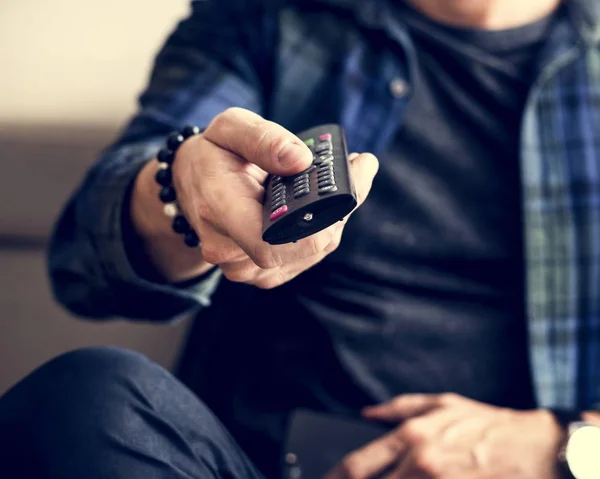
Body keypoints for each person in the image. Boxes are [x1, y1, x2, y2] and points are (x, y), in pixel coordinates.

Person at [1, 0, 599, 477]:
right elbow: (86, 256)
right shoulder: (265, 19)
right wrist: (181, 189)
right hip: (251, 461)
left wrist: (567, 448)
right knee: (87, 400)